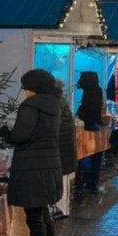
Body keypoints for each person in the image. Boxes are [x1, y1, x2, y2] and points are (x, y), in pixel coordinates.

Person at [2, 68, 63, 236]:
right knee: (44, 215)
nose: (25, 91)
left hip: (32, 166)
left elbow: (21, 135)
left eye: (26, 87)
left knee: (35, 217)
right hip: (49, 163)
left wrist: (6, 134)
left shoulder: (30, 106)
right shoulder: (54, 105)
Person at [75, 71, 106, 194]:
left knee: (87, 154)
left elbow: (87, 109)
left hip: (88, 126)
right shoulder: (97, 91)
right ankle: (92, 182)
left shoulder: (88, 92)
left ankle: (88, 180)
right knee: (95, 155)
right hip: (95, 125)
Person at [53, 80, 77, 221]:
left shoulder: (56, 107)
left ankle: (62, 209)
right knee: (63, 181)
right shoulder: (63, 106)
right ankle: (63, 208)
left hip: (61, 151)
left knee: (61, 181)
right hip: (66, 150)